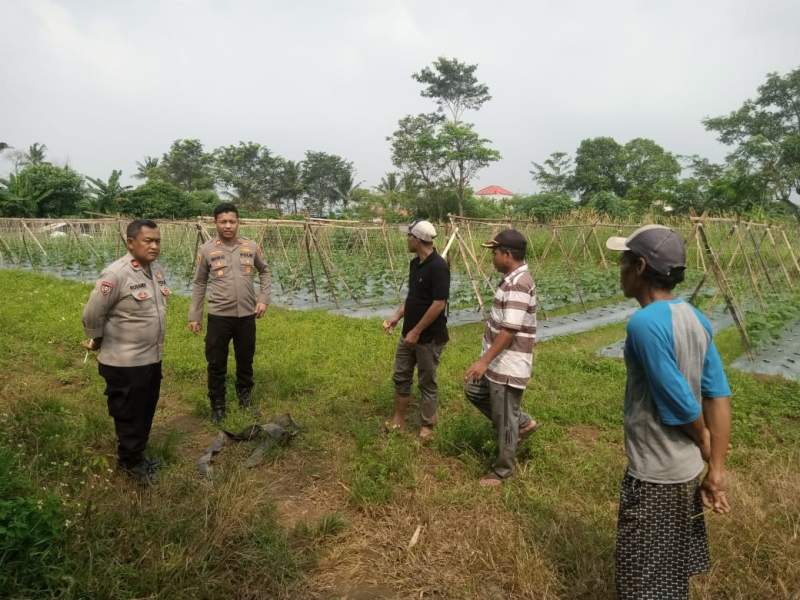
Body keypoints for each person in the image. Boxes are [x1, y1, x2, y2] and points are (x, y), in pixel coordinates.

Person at [605, 225, 732, 599]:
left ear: (641, 267)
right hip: (685, 470)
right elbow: (718, 395)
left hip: (655, 472)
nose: (620, 268)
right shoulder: (696, 318)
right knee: (670, 573)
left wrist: (705, 441)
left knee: (640, 581)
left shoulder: (643, 324)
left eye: (624, 261)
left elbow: (676, 398)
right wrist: (716, 470)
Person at [82, 219, 168, 485]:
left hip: (150, 358)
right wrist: (97, 338)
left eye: (157, 241)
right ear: (130, 243)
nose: (154, 246)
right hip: (125, 362)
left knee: (145, 410)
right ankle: (130, 466)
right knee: (129, 413)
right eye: (148, 241)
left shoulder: (156, 271)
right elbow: (92, 313)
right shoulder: (116, 274)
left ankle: (137, 456)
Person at [464, 229, 540, 487]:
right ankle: (523, 423)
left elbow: (509, 330)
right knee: (474, 391)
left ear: (507, 254)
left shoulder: (519, 283)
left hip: (507, 363)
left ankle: (502, 471)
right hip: (498, 362)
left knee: (506, 417)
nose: (492, 258)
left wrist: (483, 360)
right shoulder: (511, 279)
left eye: (495, 253)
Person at [189, 203, 271, 423]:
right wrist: (195, 316)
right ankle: (218, 405)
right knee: (216, 362)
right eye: (223, 221)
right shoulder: (207, 250)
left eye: (232, 221)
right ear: (215, 223)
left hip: (246, 316)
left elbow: (264, 271)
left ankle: (245, 399)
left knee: (245, 359)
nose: (228, 226)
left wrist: (263, 299)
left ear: (238, 222)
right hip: (219, 316)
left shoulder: (251, 246)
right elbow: (199, 283)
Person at [383, 219, 450, 441]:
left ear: (417, 239)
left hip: (428, 337)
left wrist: (417, 331)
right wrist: (396, 317)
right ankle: (398, 420)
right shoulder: (415, 264)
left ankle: (427, 425)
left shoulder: (439, 266)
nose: (406, 239)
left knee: (426, 380)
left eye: (408, 236)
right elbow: (413, 298)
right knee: (401, 375)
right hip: (408, 333)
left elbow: (439, 303)